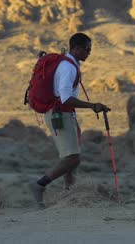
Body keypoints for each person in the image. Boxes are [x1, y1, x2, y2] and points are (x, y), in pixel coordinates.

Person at [30, 32, 111, 208]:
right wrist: (92, 106)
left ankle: (70, 194)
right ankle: (39, 185)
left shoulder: (69, 64)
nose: (89, 53)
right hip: (60, 114)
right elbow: (65, 98)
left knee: (71, 157)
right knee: (73, 159)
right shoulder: (69, 67)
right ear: (77, 48)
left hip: (65, 114)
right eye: (87, 49)